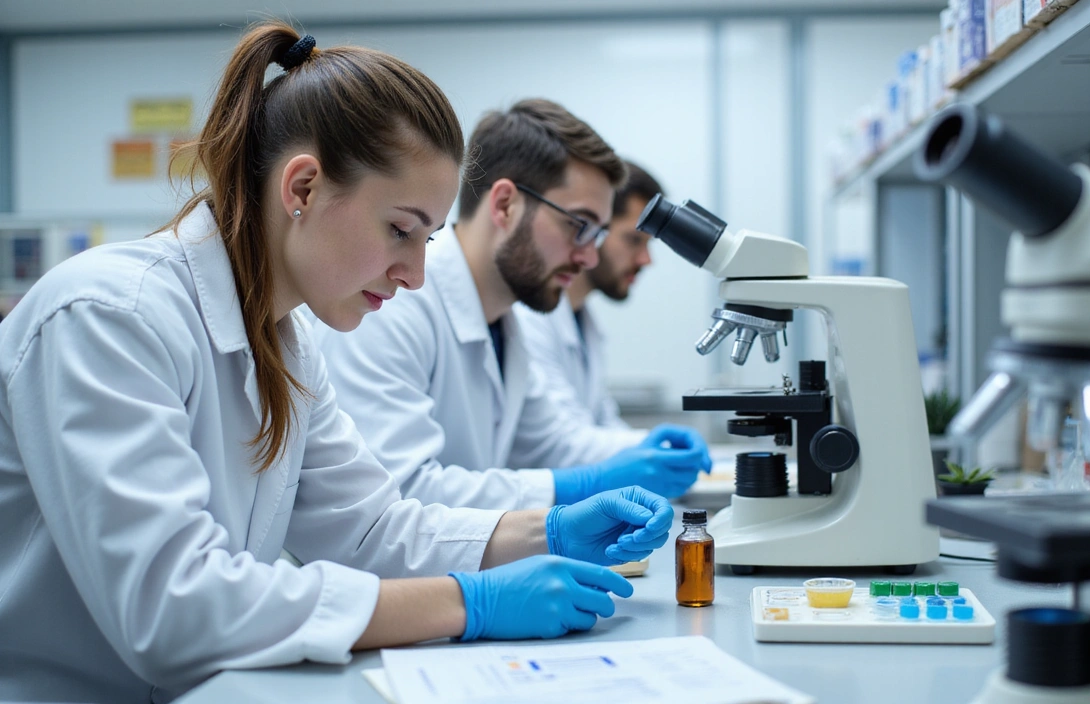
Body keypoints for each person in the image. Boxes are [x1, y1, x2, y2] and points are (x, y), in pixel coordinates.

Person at [0, 24, 674, 702]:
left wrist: (544, 530)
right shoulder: (109, 316)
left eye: (428, 238)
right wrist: (469, 603)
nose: (415, 274)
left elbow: (370, 528)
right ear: (303, 188)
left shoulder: (287, 341)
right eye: (400, 230)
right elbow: (174, 608)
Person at [314, 100, 710, 512]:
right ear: (505, 205)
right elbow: (398, 492)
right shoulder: (392, 303)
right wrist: (575, 488)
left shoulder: (506, 319)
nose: (589, 258)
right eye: (579, 226)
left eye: (597, 235)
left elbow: (549, 444)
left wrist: (646, 449)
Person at [514, 160, 661, 432]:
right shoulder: (530, 318)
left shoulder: (586, 325)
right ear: (596, 229)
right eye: (633, 240)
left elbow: (603, 424)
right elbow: (563, 439)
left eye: (648, 244)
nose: (645, 260)